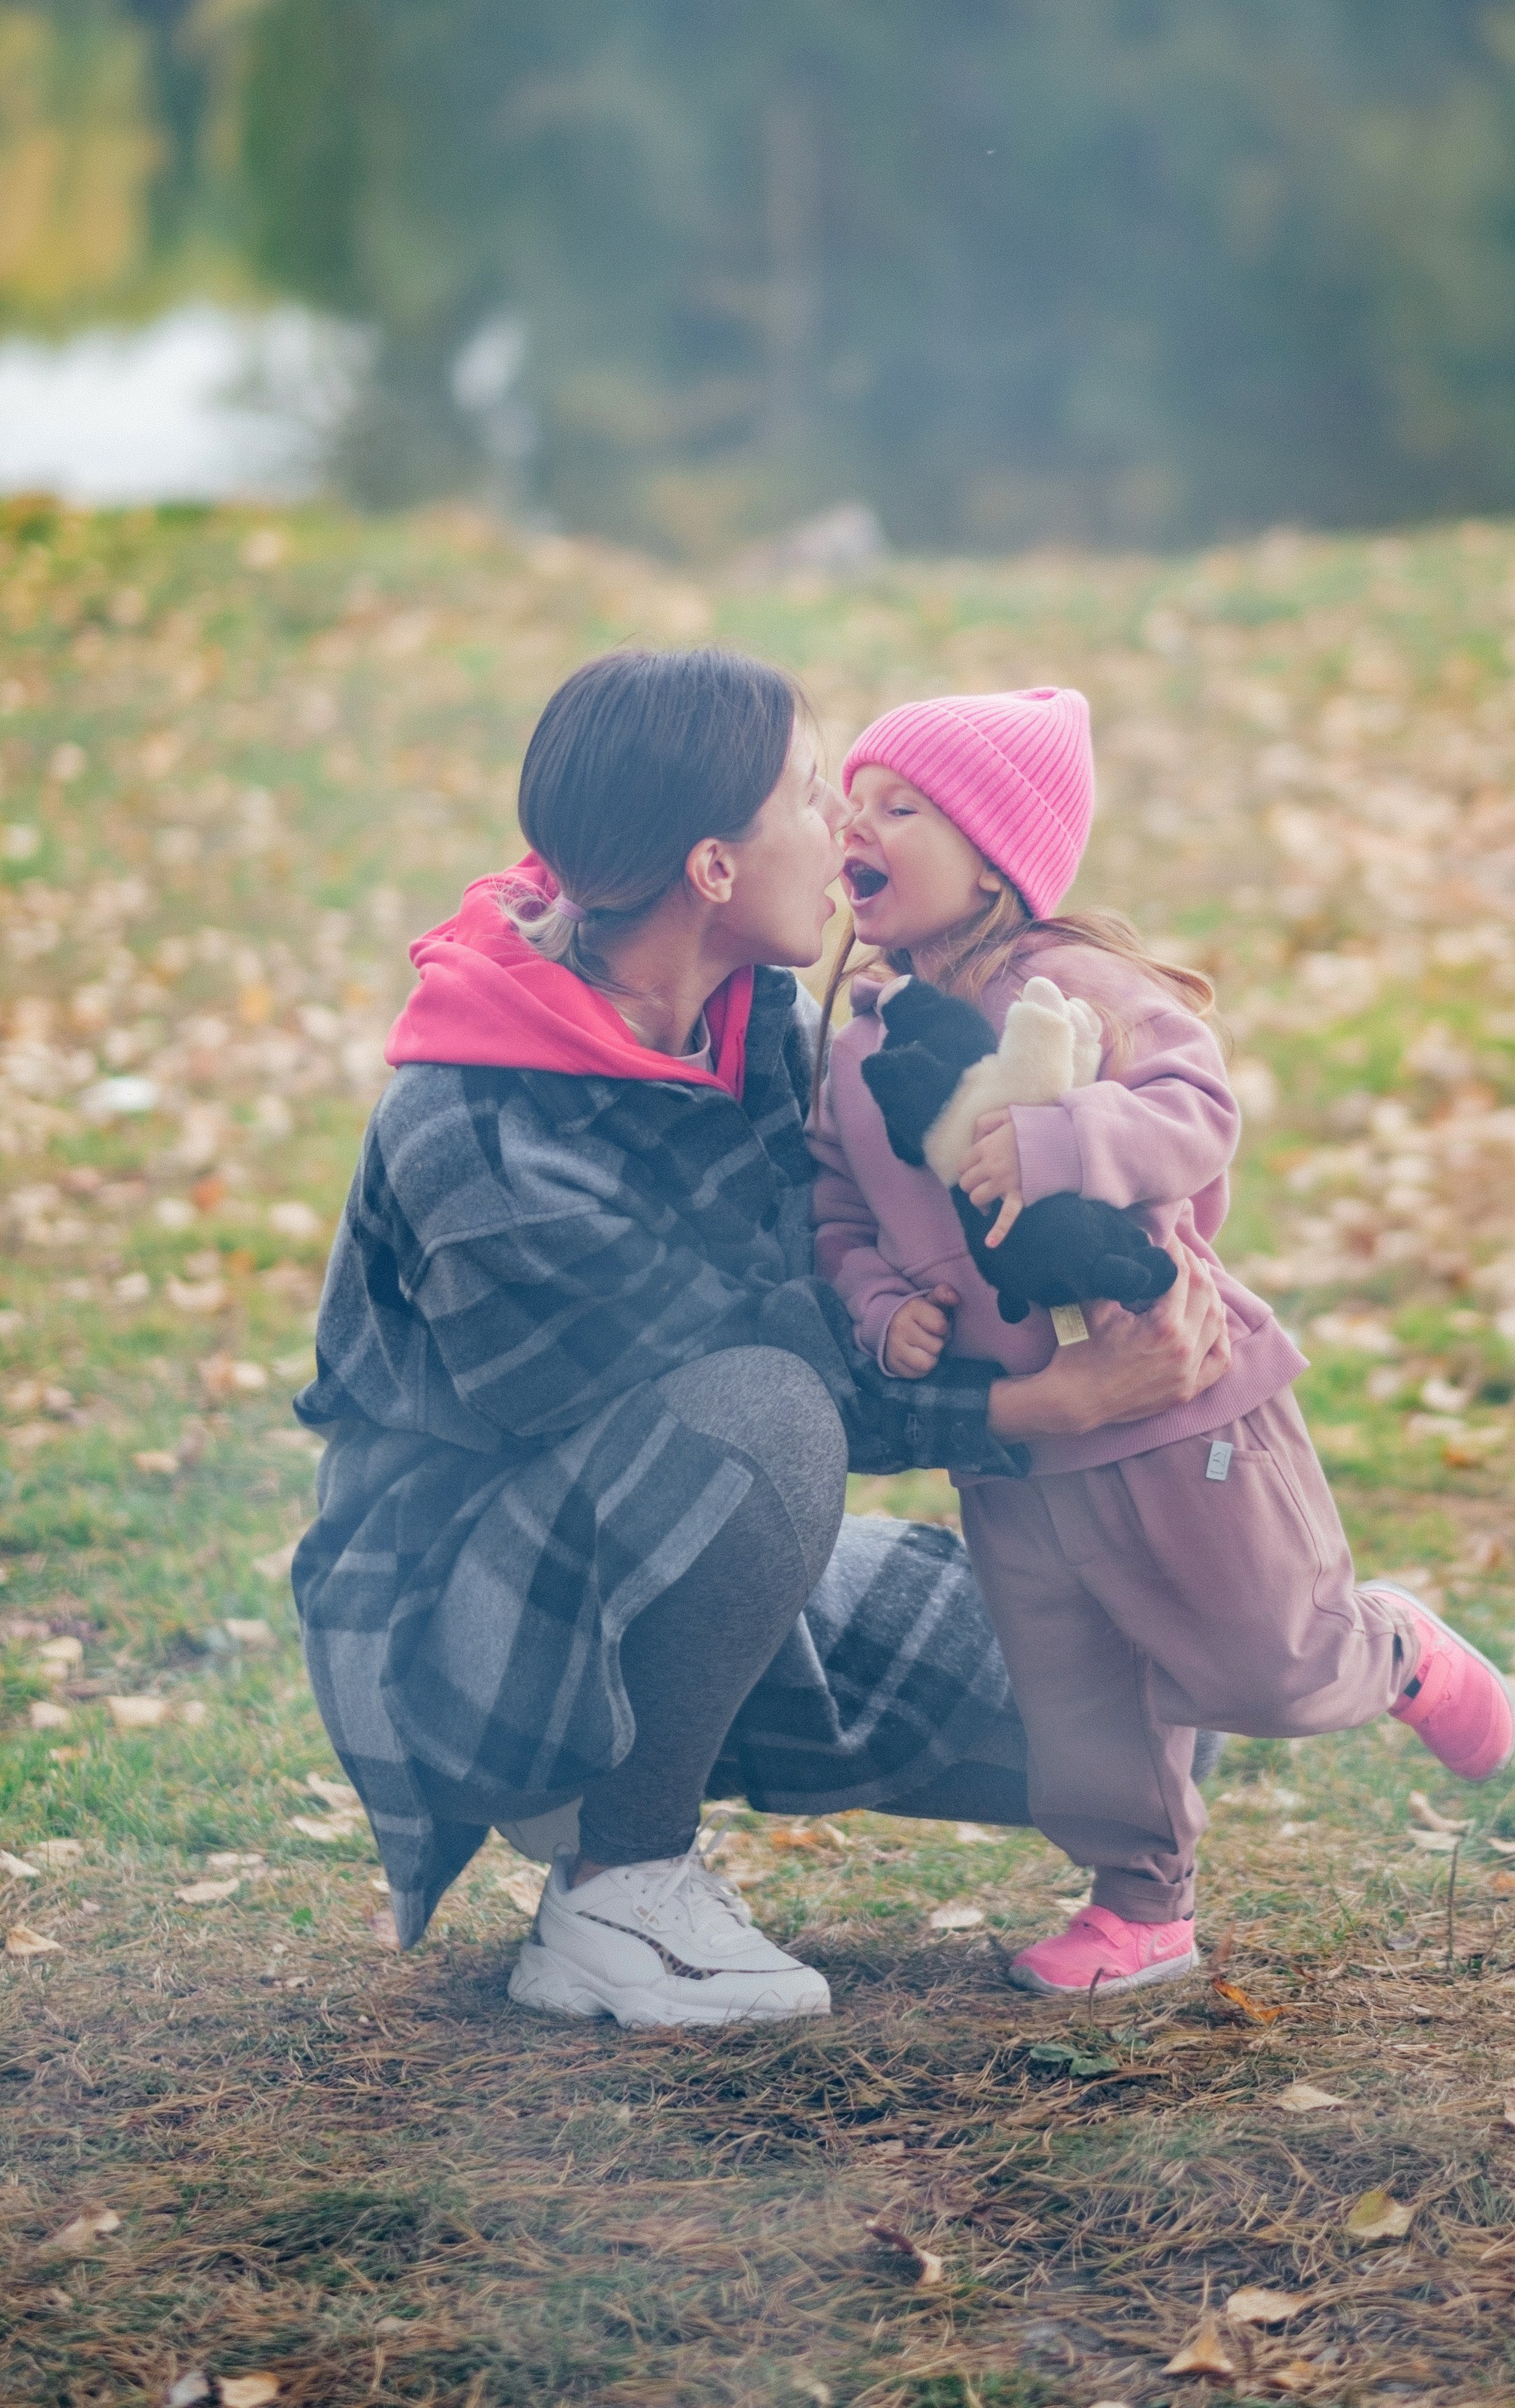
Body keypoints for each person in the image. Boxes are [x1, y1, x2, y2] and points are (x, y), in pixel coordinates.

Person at [293, 645, 1234, 2031]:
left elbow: (867, 1276)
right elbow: (783, 1393)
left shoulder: (762, 1028)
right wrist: (1061, 1403)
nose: (845, 829)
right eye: (811, 793)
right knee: (768, 1413)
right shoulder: (477, 1124)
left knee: (1139, 1694)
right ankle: (619, 1883)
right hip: (466, 1614)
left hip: (695, 1536)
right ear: (714, 869)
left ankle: (657, 1760)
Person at [808, 684, 1515, 1998]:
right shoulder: (854, 1043)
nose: (862, 825)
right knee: (1072, 1698)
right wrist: (872, 1303)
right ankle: (1140, 1902)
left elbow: (1197, 1110)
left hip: (1178, 1400)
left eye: (902, 807)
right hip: (1017, 1447)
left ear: (994, 858)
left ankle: (1394, 1650)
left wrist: (1064, 1137)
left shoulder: (1074, 988)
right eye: (855, 805)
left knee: (1265, 1663)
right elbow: (837, 1207)